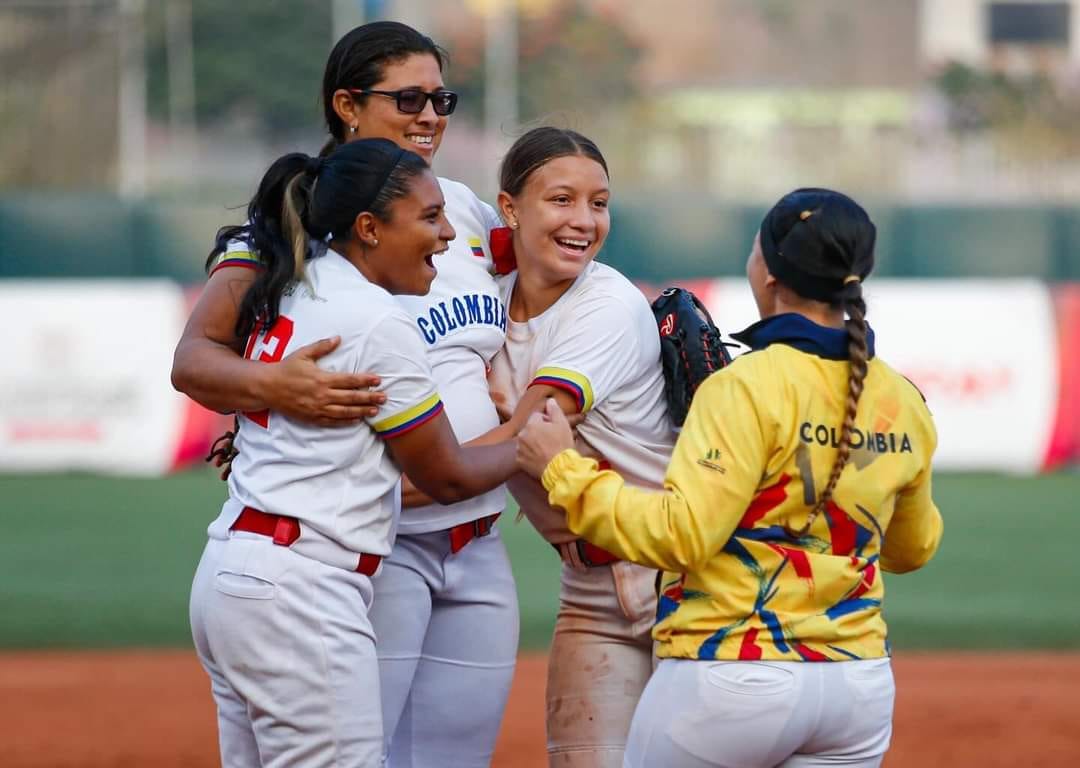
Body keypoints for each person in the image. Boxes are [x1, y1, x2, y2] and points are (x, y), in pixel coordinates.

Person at [171, 23, 520, 767]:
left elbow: (533, 292)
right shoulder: (301, 222)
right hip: (363, 545)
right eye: (409, 98)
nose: (431, 115)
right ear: (347, 105)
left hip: (470, 536)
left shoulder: (460, 210)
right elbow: (196, 358)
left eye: (442, 98)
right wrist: (273, 389)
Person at [516, 188, 943, 768]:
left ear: (767, 271)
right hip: (856, 689)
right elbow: (912, 547)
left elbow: (682, 537)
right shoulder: (901, 397)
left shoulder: (744, 386)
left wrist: (561, 470)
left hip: (733, 674)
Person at [485, 126, 676, 768]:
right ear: (510, 208)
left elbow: (530, 434)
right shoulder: (481, 307)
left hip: (685, 578)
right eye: (561, 199)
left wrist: (386, 485)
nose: (584, 220)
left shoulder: (609, 305)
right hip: (589, 588)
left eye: (599, 203)